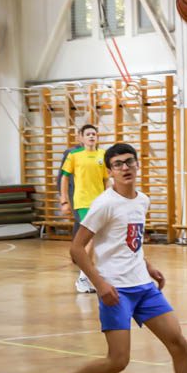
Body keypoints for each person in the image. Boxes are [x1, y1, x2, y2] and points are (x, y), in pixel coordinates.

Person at [33, 142, 187, 373]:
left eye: (129, 162)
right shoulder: (104, 204)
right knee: (117, 361)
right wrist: (100, 284)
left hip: (144, 288)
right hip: (116, 291)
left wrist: (147, 265)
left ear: (137, 165)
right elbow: (76, 249)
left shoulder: (142, 201)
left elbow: (127, 241)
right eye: (118, 164)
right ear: (110, 171)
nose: (125, 167)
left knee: (179, 344)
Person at [60, 124, 110, 293]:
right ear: (81, 137)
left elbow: (105, 180)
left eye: (94, 134)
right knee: (89, 240)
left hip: (100, 202)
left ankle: (87, 276)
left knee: (94, 241)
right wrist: (64, 199)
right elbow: (64, 178)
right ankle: (83, 277)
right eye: (88, 134)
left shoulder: (102, 155)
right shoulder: (74, 155)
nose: (91, 137)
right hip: (82, 202)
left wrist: (110, 197)